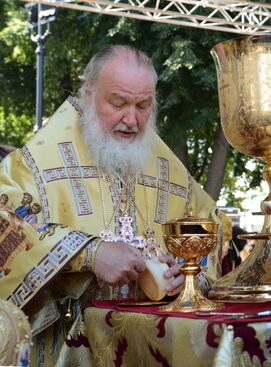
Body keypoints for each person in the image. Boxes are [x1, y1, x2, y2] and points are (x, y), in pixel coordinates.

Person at [0, 45, 221, 365]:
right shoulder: (36, 161)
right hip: (68, 348)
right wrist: (89, 253)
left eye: (143, 105)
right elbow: (6, 217)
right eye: (118, 102)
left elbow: (212, 226)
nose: (131, 119)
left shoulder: (166, 166)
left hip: (152, 349)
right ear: (89, 93)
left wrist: (187, 275)